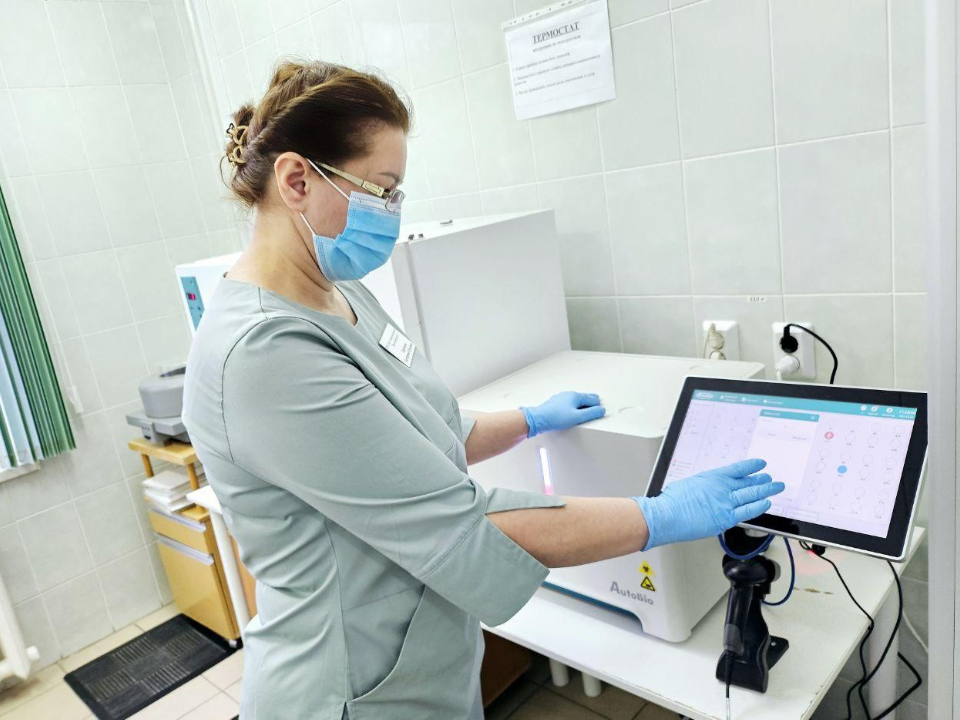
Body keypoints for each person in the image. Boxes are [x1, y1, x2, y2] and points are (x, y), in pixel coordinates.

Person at [181, 60, 784, 720]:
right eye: (383, 190)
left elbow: (423, 434)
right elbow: (463, 524)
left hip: (424, 662)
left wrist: (530, 419)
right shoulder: (264, 353)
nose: (393, 212)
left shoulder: (337, 294)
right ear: (297, 179)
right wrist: (659, 517)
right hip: (349, 689)